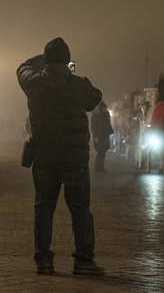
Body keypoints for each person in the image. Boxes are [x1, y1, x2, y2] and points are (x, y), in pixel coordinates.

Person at [17, 37, 104, 275]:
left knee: (43, 209)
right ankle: (84, 261)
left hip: (45, 158)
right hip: (75, 160)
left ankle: (43, 261)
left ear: (45, 61)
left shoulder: (34, 83)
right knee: (80, 211)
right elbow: (95, 98)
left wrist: (42, 60)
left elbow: (22, 68)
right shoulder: (79, 84)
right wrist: (69, 72)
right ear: (67, 62)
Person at [91, 101, 113, 173]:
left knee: (102, 152)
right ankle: (98, 167)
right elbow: (94, 127)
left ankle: (100, 167)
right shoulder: (96, 116)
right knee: (101, 152)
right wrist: (96, 136)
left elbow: (108, 124)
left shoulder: (104, 115)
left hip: (104, 135)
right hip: (100, 136)